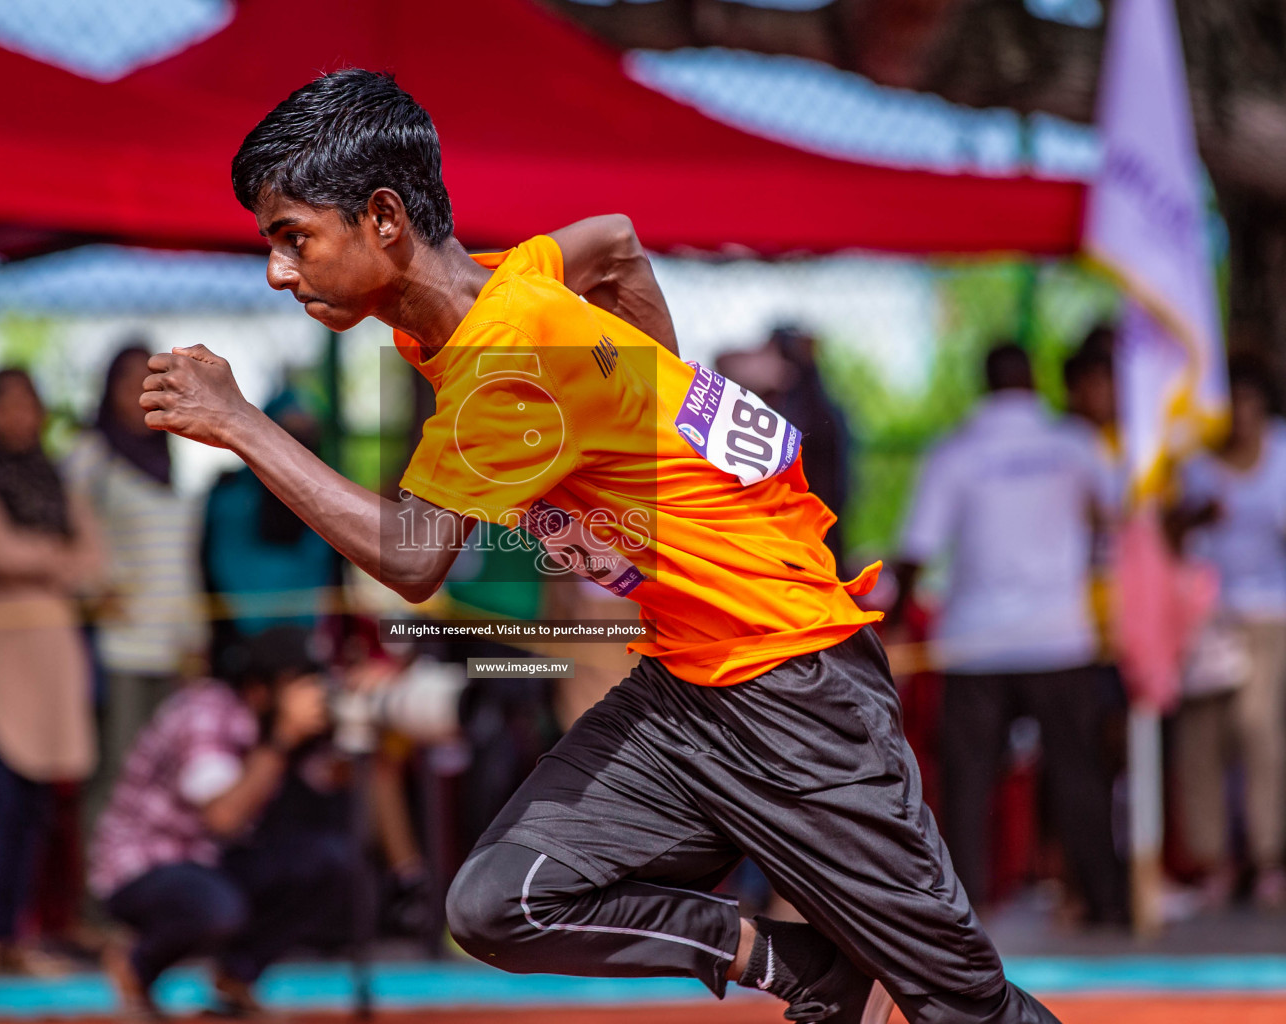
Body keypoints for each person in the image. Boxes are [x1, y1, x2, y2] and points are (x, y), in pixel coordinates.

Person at [138, 69, 1062, 1024]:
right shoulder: (504, 284)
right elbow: (615, 243)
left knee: (966, 1011)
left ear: (382, 219)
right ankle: (793, 963)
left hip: (795, 686)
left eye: (294, 237)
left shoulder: (510, 361)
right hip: (685, 691)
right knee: (501, 902)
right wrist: (660, 420)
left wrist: (242, 423)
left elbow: (414, 560)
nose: (278, 272)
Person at [891, 344, 1128, 927]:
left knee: (970, 780)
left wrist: (896, 618)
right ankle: (1106, 903)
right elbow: (1124, 511)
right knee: (1078, 774)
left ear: (984, 384)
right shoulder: (1074, 445)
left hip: (977, 641)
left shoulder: (955, 453)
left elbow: (916, 550)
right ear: (1034, 381)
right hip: (1059, 637)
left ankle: (963, 908)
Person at [90, 626, 352, 1017]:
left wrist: (358, 728)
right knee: (216, 907)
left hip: (212, 861)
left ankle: (237, 978)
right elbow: (223, 817)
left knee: (330, 861)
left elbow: (330, 778)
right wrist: (281, 739)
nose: (310, 695)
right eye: (299, 682)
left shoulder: (272, 718)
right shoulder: (204, 712)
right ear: (259, 689)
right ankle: (136, 965)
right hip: (143, 864)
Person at [0, 368, 101, 987]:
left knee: (34, 806)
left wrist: (45, 560)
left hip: (51, 669)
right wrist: (53, 559)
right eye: (6, 406)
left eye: (28, 405)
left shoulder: (56, 482)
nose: (19, 417)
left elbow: (94, 559)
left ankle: (13, 937)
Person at [65, 343, 207, 837]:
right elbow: (61, 528)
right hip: (118, 645)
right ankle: (99, 905)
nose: (138, 392)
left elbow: (182, 559)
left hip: (172, 643)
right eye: (127, 381)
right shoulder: (91, 455)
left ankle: (149, 890)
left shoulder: (171, 453)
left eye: (149, 380)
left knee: (166, 776)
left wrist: (195, 635)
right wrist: (91, 591)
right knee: (117, 774)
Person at [1168, 354, 1286, 910]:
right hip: (1208, 618)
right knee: (1203, 740)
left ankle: (1267, 857)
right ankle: (1214, 859)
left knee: (1259, 729)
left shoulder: (1282, 452)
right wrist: (1195, 517)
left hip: (1270, 615)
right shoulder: (1195, 466)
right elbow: (1167, 535)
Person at [200, 389, 336, 671]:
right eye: (286, 433)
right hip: (240, 649)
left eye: (304, 433)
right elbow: (209, 570)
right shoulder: (230, 501)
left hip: (306, 646)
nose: (297, 445)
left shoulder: (329, 502)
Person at [716, 325, 851, 568]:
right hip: (784, 540)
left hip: (808, 542)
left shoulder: (810, 411)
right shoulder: (791, 403)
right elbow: (723, 360)